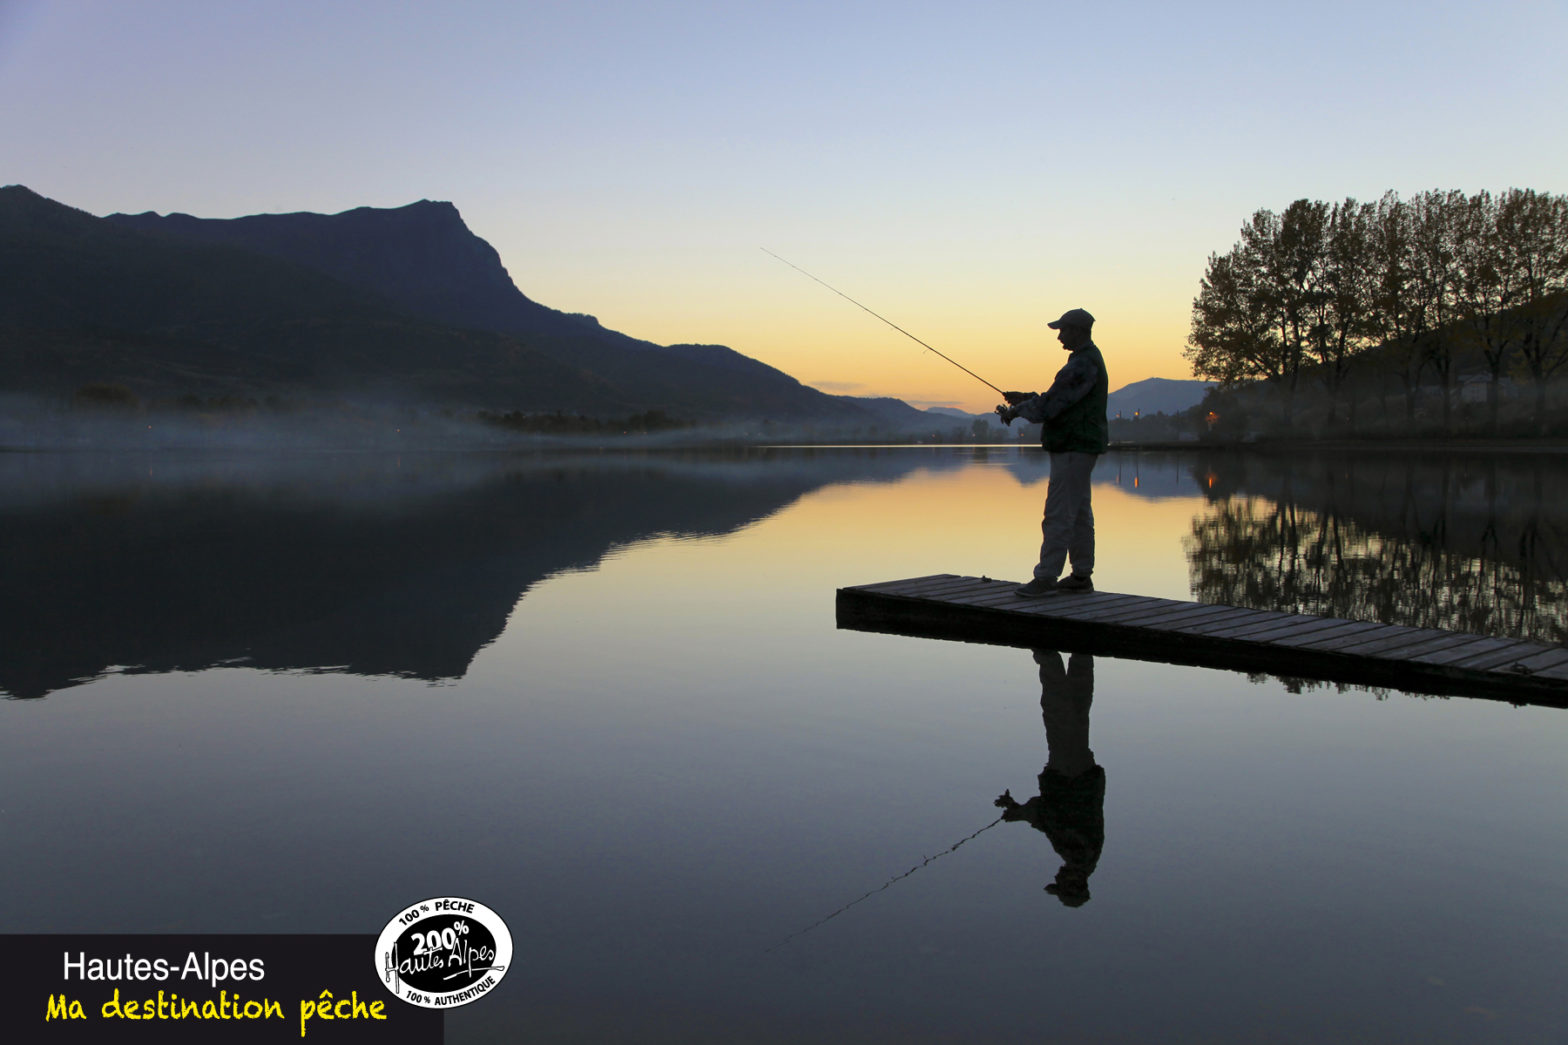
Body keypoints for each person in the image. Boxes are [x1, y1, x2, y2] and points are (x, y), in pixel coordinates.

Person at [995, 308, 1108, 597]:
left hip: (1073, 447)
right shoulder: (1085, 361)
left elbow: (1049, 408)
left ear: (1078, 331)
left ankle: (1046, 577)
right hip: (1079, 446)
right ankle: (1081, 575)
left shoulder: (1082, 364)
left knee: (1058, 513)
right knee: (1079, 513)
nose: (1059, 336)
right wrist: (1026, 399)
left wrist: (1016, 411)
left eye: (1063, 330)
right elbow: (1060, 401)